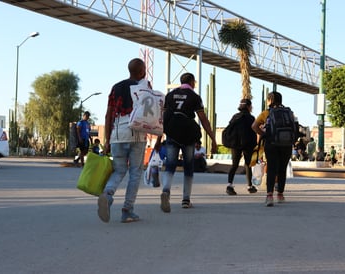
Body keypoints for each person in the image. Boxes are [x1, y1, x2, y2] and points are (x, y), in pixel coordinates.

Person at [155, 72, 217, 213]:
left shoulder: (170, 95)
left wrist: (159, 140)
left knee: (170, 165)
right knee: (188, 167)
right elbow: (203, 120)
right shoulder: (194, 97)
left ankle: (166, 191)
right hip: (188, 136)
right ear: (192, 82)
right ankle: (186, 200)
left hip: (171, 134)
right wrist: (212, 139)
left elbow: (163, 119)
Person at [97, 58, 148, 223]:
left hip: (118, 133)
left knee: (118, 170)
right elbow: (152, 112)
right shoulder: (144, 87)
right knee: (135, 172)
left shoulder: (116, 87)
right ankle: (127, 210)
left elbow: (108, 114)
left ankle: (108, 194)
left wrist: (106, 139)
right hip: (138, 133)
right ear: (141, 71)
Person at [251, 91, 294, 207]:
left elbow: (254, 126)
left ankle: (269, 196)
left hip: (271, 143)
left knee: (271, 169)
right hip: (286, 145)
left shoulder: (266, 113)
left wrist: (263, 134)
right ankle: (280, 195)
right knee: (282, 169)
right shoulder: (289, 112)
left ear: (270, 100)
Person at [226, 98, 257, 195]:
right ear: (248, 106)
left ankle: (229, 185)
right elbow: (253, 132)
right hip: (247, 144)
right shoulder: (251, 118)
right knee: (248, 164)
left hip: (235, 144)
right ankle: (250, 186)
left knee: (234, 165)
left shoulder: (235, 116)